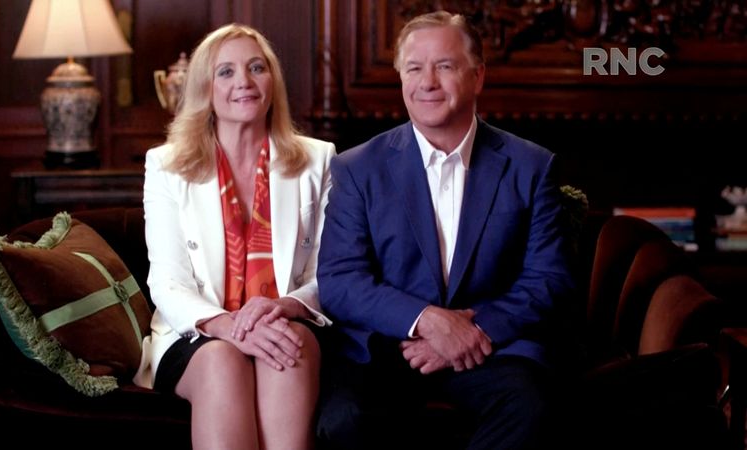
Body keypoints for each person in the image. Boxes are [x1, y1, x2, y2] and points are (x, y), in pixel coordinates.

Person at [315, 10, 574, 450]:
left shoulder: (531, 166)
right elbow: (341, 281)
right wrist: (428, 323)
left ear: (478, 76)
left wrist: (473, 332)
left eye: (445, 66)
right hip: (386, 349)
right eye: (414, 68)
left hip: (490, 348)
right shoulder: (357, 168)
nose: (427, 82)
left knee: (532, 406)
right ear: (401, 78)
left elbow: (548, 279)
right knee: (341, 420)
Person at [133, 23, 335, 450]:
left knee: (286, 344)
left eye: (256, 67)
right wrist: (230, 327)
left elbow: (331, 273)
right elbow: (167, 282)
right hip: (198, 333)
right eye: (225, 72)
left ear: (272, 81)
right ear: (205, 88)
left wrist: (283, 306)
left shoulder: (318, 159)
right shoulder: (166, 166)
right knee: (223, 360)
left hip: (285, 322)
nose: (243, 82)